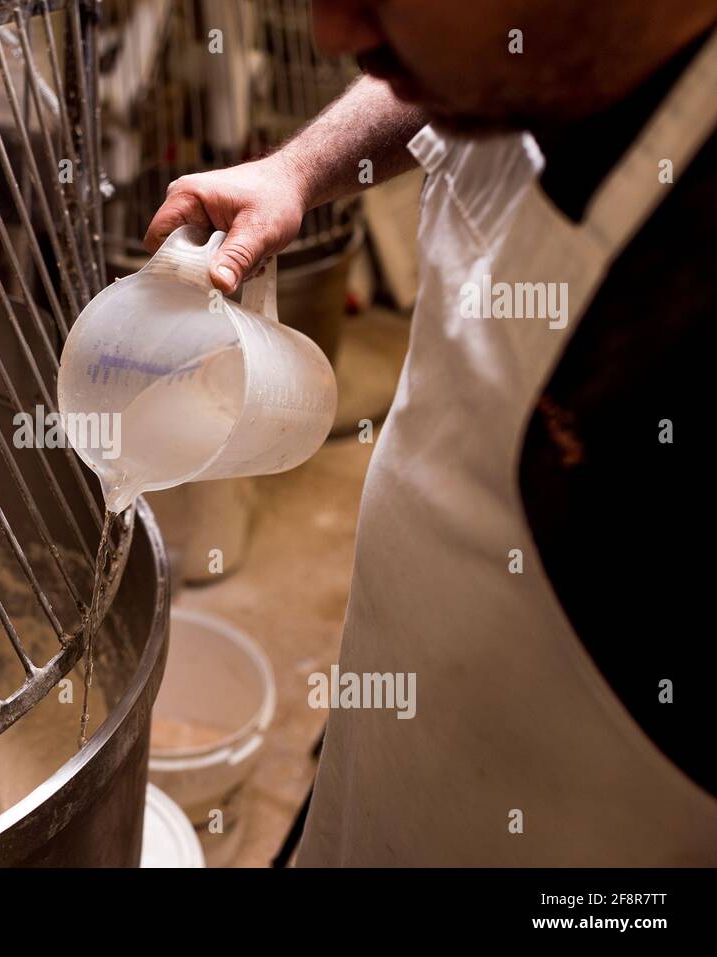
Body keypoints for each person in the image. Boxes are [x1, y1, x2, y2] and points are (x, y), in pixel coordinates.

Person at [145, 0, 717, 865]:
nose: (333, 34)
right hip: (384, 754)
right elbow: (455, 77)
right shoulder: (509, 62)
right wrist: (299, 169)